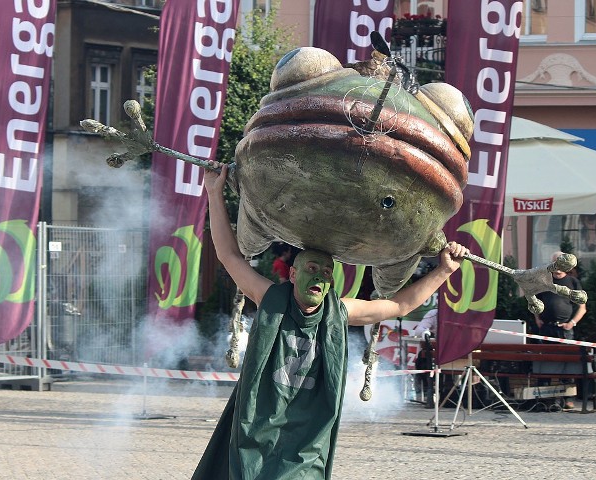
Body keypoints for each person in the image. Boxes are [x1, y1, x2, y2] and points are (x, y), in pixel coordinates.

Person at [192, 161, 469, 480]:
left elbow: (398, 305)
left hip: (306, 438)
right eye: (312, 269)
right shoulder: (271, 298)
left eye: (327, 274)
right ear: (293, 274)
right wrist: (214, 190)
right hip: (258, 425)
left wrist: (444, 270)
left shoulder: (339, 311)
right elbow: (229, 256)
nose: (320, 277)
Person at [533, 251, 587, 410]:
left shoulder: (573, 282)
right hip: (547, 328)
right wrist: (537, 319)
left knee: (567, 364)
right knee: (545, 363)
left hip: (565, 330)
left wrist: (572, 323)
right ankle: (545, 399)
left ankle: (568, 398)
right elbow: (534, 300)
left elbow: (582, 308)